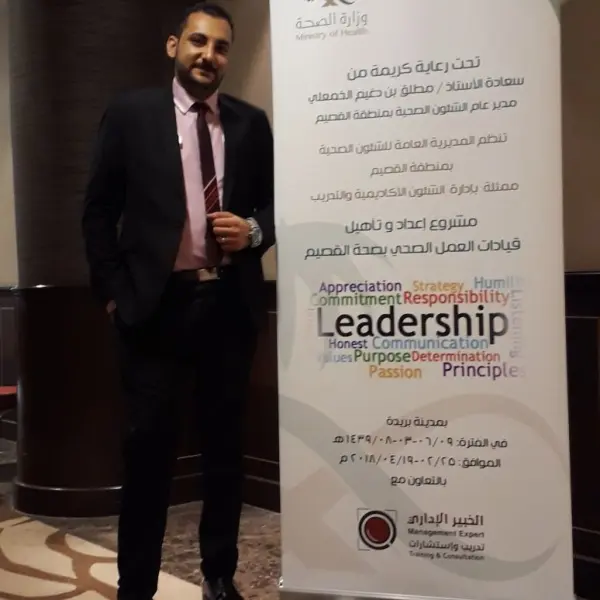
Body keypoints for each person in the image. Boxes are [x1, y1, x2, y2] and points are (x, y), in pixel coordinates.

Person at [81, 3, 274, 599]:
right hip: (153, 313)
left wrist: (254, 232)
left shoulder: (250, 124)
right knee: (147, 458)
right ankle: (136, 586)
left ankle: (218, 575)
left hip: (229, 309)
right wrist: (115, 295)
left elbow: (275, 206)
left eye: (220, 46)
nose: (208, 55)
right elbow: (98, 212)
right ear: (174, 46)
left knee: (224, 453)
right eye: (198, 41)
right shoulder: (131, 114)